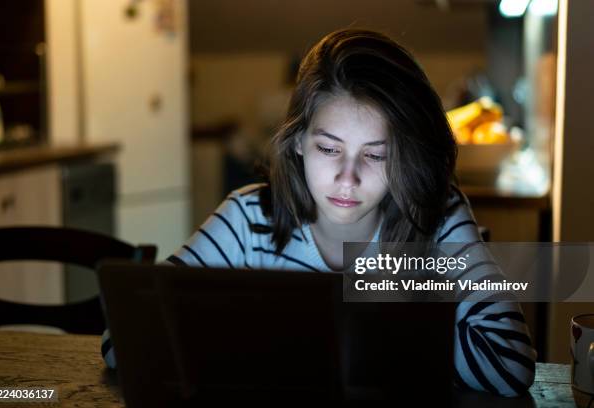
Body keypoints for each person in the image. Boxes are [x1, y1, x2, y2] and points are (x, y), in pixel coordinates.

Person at [102, 28, 536, 397]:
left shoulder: (437, 215)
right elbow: (124, 341)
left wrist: (312, 333)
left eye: (376, 155)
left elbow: (510, 362)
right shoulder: (248, 217)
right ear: (296, 142)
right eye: (329, 149)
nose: (347, 179)